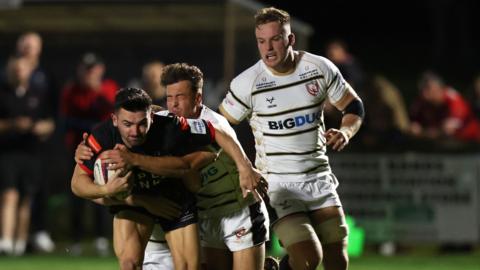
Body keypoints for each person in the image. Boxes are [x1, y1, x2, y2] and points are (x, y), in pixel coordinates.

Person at [218, 7, 364, 270]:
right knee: (309, 258)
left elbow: (354, 107)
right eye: (261, 41)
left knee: (338, 257)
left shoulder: (318, 68)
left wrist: (345, 132)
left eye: (275, 39)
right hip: (278, 184)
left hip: (319, 179)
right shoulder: (248, 82)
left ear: (291, 39)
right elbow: (220, 126)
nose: (268, 48)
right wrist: (243, 166)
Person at [71, 87, 264, 270]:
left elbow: (216, 133)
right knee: (129, 263)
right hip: (137, 199)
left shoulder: (171, 126)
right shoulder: (102, 137)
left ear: (152, 118)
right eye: (127, 124)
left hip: (174, 196)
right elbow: (77, 184)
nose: (134, 132)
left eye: (142, 124)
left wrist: (244, 166)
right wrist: (108, 190)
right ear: (114, 119)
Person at [161, 63, 270, 270]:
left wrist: (245, 166)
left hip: (240, 211)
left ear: (198, 98)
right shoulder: (169, 123)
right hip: (207, 216)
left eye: (180, 97)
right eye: (169, 97)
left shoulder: (212, 121)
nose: (173, 104)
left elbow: (217, 140)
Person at [60, 52, 119, 256]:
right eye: (86, 69)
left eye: (93, 69)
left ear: (100, 70)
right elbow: (66, 119)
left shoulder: (109, 89)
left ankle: (101, 237)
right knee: (77, 194)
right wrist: (90, 126)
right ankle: (75, 239)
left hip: (103, 152)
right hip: (79, 151)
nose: (89, 73)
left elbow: (115, 117)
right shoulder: (72, 90)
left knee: (102, 192)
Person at [0, 56, 56, 255]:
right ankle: (5, 241)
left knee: (26, 198)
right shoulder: (3, 94)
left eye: (21, 69)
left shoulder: (38, 95)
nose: (18, 73)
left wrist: (39, 127)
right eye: (14, 69)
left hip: (32, 153)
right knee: (9, 194)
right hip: (8, 153)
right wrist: (13, 125)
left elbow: (50, 123)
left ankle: (19, 243)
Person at [409, 71, 480, 143]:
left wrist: (424, 132)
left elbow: (449, 130)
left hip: (469, 143)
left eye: (428, 89)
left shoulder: (454, 100)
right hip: (436, 141)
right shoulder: (421, 102)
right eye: (422, 89)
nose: (424, 94)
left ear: (440, 89)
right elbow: (413, 125)